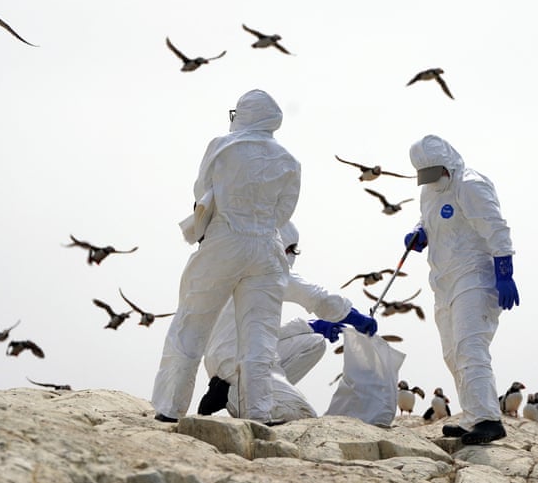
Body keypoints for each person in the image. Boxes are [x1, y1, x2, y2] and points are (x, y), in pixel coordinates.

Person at [151, 89, 301, 425]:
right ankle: (259, 412)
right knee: (260, 332)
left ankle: (170, 408)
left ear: (244, 113)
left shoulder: (222, 146)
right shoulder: (289, 160)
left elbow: (201, 189)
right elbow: (285, 211)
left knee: (193, 322)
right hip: (266, 247)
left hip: (224, 240)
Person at [403, 134, 519, 445]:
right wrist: (419, 232)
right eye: (423, 176)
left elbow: (496, 227)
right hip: (444, 282)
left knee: (470, 346)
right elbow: (428, 219)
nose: (429, 181)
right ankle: (472, 417)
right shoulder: (430, 191)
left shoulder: (470, 184)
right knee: (452, 353)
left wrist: (504, 273)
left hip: (476, 277)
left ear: (448, 165)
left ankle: (488, 419)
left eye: (433, 173)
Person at [198, 221, 378, 422]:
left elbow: (264, 335)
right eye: (291, 249)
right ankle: (234, 395)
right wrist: (355, 317)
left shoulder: (240, 265)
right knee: (303, 415)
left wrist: (312, 326)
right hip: (234, 363)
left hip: (235, 353)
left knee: (314, 341)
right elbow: (320, 299)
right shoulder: (268, 268)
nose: (292, 256)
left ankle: (259, 393)